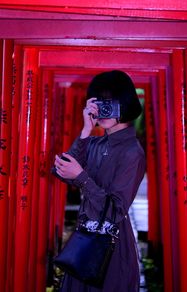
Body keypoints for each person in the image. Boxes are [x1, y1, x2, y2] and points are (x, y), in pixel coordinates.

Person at [54, 70, 146, 292]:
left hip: (111, 247)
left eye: (110, 103)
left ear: (124, 104)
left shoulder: (132, 152)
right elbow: (60, 171)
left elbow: (116, 210)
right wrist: (86, 130)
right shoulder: (95, 144)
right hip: (83, 241)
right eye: (99, 102)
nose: (103, 110)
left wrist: (82, 178)